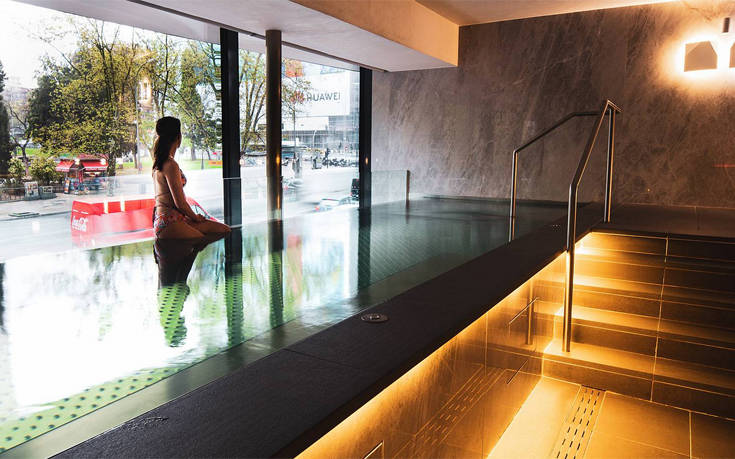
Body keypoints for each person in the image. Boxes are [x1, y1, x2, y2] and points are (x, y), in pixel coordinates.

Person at [152, 116, 230, 239]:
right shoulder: (170, 164)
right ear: (178, 137)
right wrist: (196, 217)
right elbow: (180, 203)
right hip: (169, 221)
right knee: (200, 238)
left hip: (172, 219)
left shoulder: (161, 162)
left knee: (223, 229)